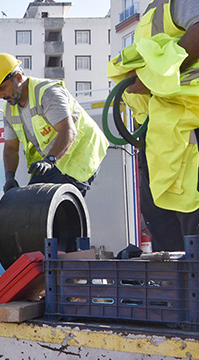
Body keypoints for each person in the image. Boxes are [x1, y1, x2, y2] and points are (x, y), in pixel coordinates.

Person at [107, 0, 199, 250]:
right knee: (164, 222)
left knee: (190, 215)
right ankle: (173, 284)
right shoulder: (152, 10)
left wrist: (151, 79)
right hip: (163, 127)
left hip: (189, 119)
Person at [0, 53, 109, 197]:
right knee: (30, 204)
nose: (1, 95)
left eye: (3, 88)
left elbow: (68, 131)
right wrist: (9, 178)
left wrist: (50, 160)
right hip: (52, 160)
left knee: (57, 209)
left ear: (18, 78)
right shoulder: (9, 110)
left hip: (79, 154)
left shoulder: (47, 93)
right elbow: (11, 148)